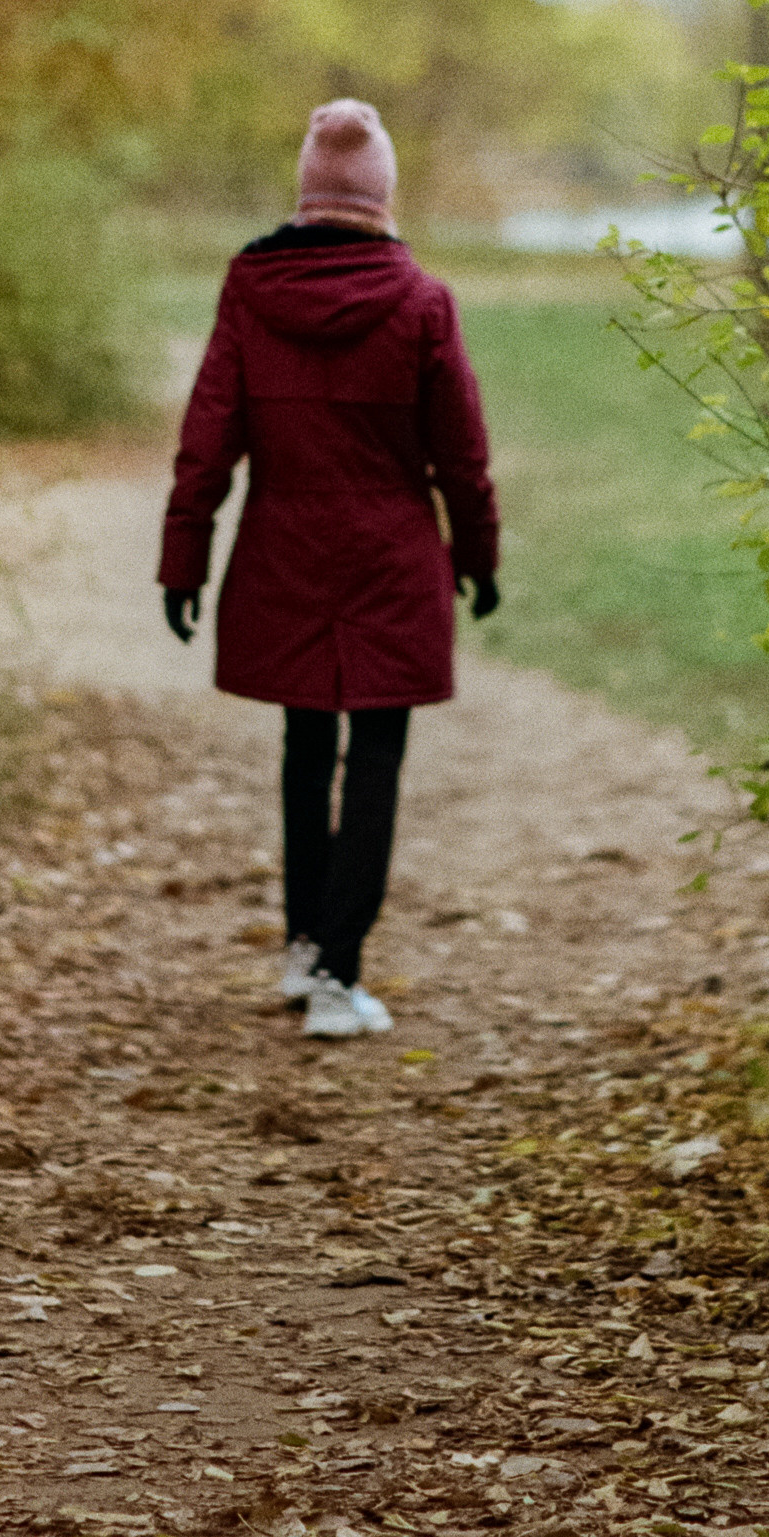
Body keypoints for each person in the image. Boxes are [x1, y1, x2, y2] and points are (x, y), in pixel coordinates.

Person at [158, 100, 500, 1039]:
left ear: (308, 192)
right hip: (389, 558)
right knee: (376, 755)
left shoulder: (248, 287)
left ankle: (309, 948)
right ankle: (338, 976)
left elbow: (207, 436)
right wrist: (477, 554)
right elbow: (460, 458)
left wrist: (183, 554)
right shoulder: (424, 303)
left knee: (305, 752)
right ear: (381, 193)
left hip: (285, 552)